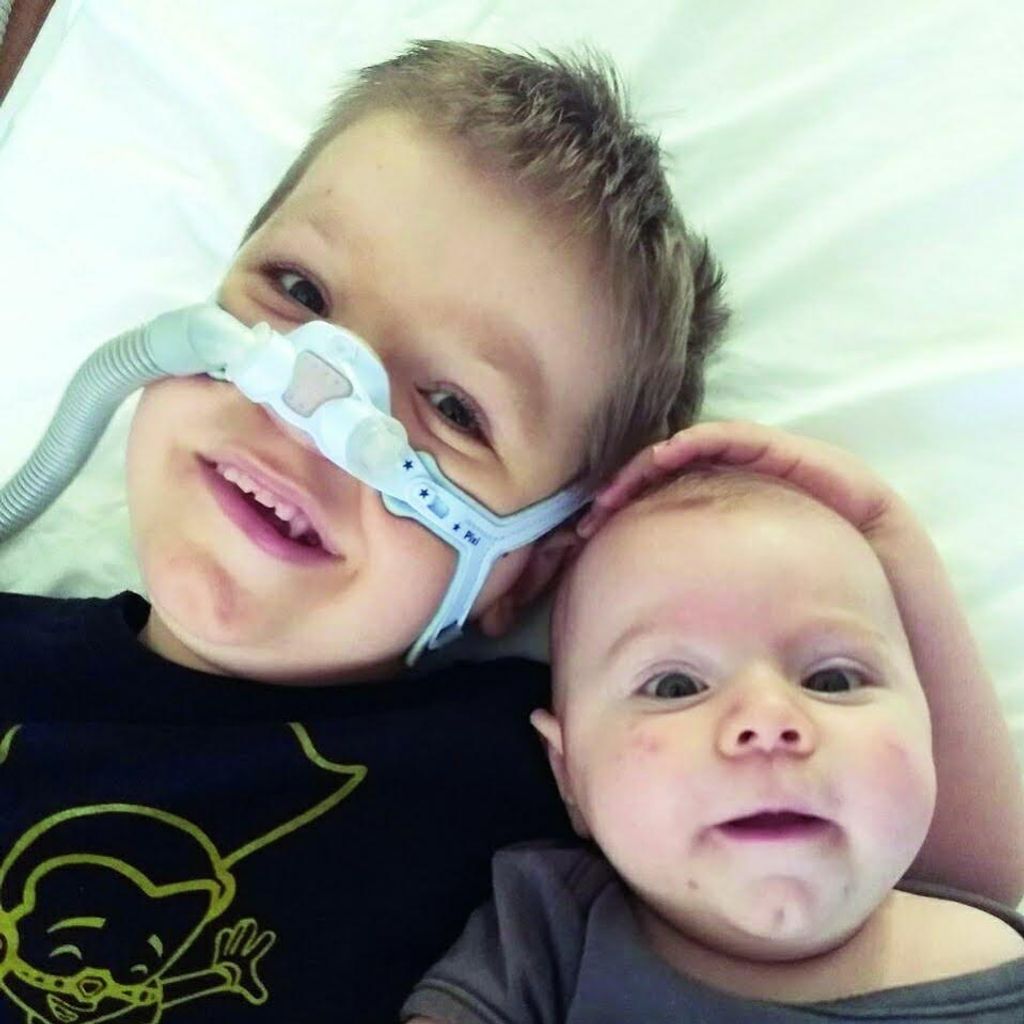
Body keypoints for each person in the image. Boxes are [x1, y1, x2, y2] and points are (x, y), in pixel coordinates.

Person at [0, 40, 728, 1024]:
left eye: (454, 408)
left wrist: (876, 546)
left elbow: (869, 875)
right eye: (298, 292)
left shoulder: (532, 775)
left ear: (526, 571)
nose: (311, 403)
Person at [403, 422, 1024, 1022]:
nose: (768, 721)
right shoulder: (549, 935)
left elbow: (991, 855)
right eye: (675, 687)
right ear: (569, 777)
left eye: (833, 680)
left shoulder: (986, 944)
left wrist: (885, 529)